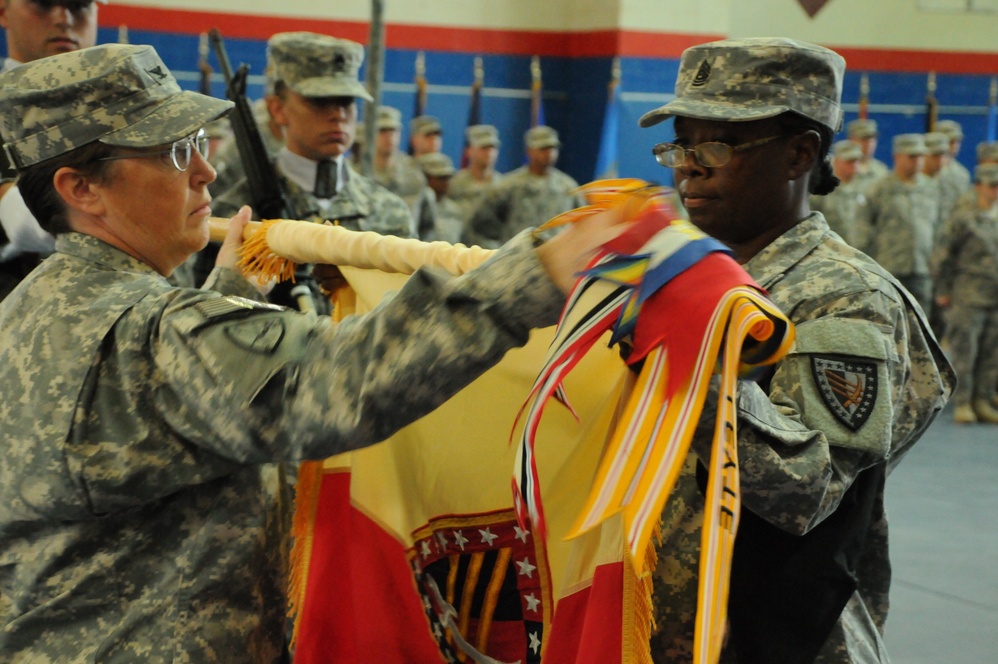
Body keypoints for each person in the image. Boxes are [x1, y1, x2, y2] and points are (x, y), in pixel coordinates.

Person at [0, 43, 624, 662]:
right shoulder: (149, 333)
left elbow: (163, 411)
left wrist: (231, 294)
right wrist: (533, 275)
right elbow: (340, 380)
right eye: (172, 151)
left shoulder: (38, 307)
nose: (204, 171)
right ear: (80, 188)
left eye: (197, 144)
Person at [637, 37, 953, 663]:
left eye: (715, 146)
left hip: (777, 639)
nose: (688, 167)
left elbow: (806, 491)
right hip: (662, 628)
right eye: (681, 144)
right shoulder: (688, 274)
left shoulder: (844, 298)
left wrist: (687, 362)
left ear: (799, 154)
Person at [209, 32, 414, 310]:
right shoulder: (234, 216)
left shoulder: (390, 212)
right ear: (277, 109)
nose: (338, 115)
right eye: (320, 101)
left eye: (346, 102)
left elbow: (404, 311)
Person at [0, 0, 102, 301]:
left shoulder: (125, 110)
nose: (64, 18)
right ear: (4, 10)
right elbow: (23, 222)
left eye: (79, 5)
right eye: (44, 4)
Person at [931, 163, 998, 424]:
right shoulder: (963, 217)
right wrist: (943, 290)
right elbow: (942, 256)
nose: (997, 191)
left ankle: (982, 400)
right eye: (992, 185)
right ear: (979, 187)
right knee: (965, 352)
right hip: (968, 294)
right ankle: (963, 402)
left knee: (992, 352)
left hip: (996, 296)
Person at [856, 133, 940, 315]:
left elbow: (939, 227)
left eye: (920, 156)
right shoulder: (880, 188)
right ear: (897, 157)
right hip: (889, 267)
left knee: (921, 321)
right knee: (888, 318)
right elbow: (862, 229)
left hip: (922, 268)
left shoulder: (931, 187)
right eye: (912, 156)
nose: (917, 161)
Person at [464, 125, 583, 248]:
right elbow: (483, 219)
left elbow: (582, 222)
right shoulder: (510, 184)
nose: (549, 154)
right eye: (543, 149)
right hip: (518, 255)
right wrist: (507, 237)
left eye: (553, 149)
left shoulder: (567, 187)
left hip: (556, 254)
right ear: (530, 151)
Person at [372, 104, 428, 222]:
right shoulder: (358, 170)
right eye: (382, 131)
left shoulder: (413, 173)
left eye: (393, 131)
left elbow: (425, 220)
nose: (389, 137)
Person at [809, 139, 867, 245]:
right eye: (849, 161)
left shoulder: (867, 186)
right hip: (831, 246)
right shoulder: (823, 188)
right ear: (836, 161)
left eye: (856, 160)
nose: (854, 164)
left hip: (861, 249)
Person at [449, 123, 503, 224]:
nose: (489, 153)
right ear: (469, 151)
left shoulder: (502, 185)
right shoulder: (455, 183)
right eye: (484, 148)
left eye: (493, 148)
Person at [415, 151, 464, 243]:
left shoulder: (455, 210)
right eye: (440, 178)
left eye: (447, 178)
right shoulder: (415, 207)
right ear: (425, 177)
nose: (445, 183)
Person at [845, 118, 888, 192]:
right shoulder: (838, 168)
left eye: (872, 139)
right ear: (851, 139)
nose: (869, 143)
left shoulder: (881, 170)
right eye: (864, 139)